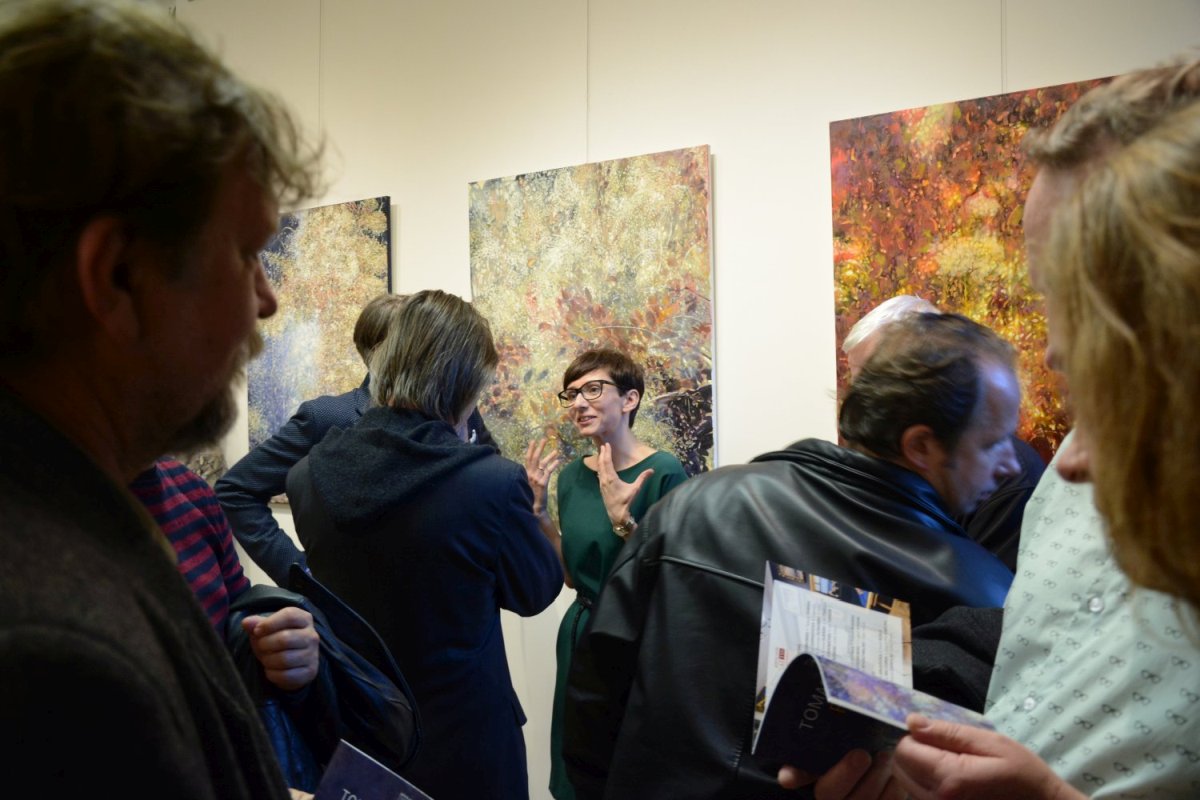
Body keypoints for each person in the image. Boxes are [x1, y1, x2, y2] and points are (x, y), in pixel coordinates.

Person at [0, 1, 321, 796]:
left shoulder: (71, 521)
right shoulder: (55, 657)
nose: (266, 299)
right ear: (117, 278)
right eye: (244, 253)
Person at [886, 58, 1200, 800]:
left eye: (1094, 306)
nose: (1054, 351)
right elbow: (1039, 667)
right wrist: (917, 749)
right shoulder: (1065, 470)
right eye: (1048, 295)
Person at [563, 312, 1019, 799]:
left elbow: (595, 698)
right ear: (921, 445)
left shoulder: (700, 502)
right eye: (994, 443)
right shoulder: (982, 595)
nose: (1012, 465)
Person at [286, 289, 563, 800]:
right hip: (467, 746)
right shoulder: (493, 483)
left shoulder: (306, 477)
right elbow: (535, 592)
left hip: (361, 739)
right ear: (464, 383)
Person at [524, 347, 689, 800]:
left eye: (593, 389)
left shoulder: (663, 472)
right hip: (581, 631)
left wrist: (625, 522)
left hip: (639, 638)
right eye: (572, 393)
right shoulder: (571, 477)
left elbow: (675, 580)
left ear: (630, 399)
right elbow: (572, 576)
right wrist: (539, 514)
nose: (579, 402)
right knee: (578, 767)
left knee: (629, 767)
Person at [843, 295, 1046, 570]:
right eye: (861, 378)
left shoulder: (1009, 484)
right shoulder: (854, 468)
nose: (869, 394)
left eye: (885, 372)